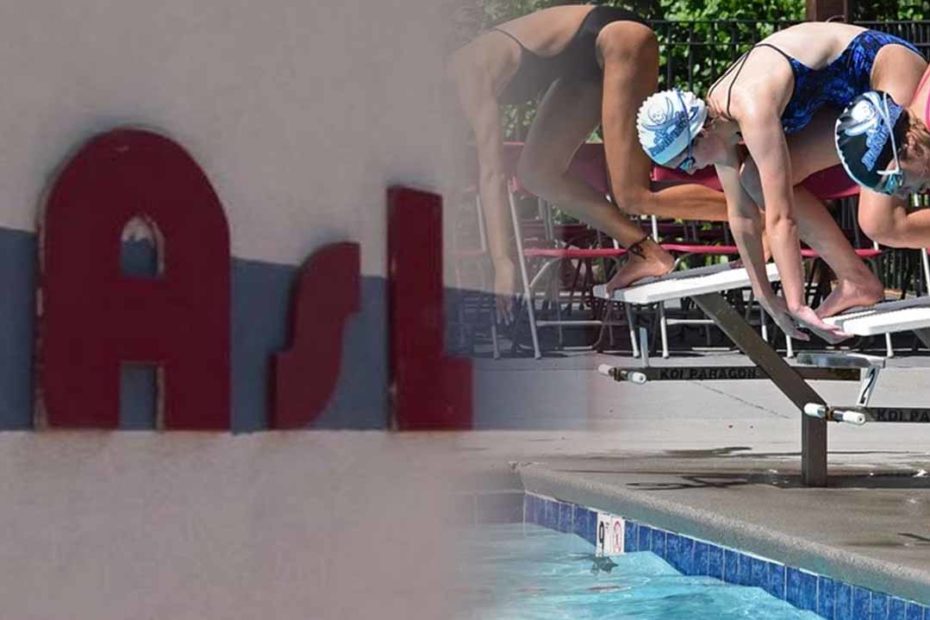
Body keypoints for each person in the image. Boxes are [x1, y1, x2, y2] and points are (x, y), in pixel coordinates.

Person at [636, 23, 926, 342]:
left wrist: (796, 302)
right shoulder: (719, 125)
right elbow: (742, 215)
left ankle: (856, 276)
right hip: (849, 97)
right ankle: (857, 280)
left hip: (884, 69)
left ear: (700, 133)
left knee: (882, 222)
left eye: (686, 161)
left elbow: (781, 216)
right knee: (753, 180)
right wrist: (763, 294)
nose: (691, 172)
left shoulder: (751, 108)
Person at [447, 5, 727, 322]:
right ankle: (647, 253)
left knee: (632, 194)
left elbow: (492, 174)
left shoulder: (465, 73)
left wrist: (502, 263)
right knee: (537, 173)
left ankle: (756, 216)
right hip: (582, 67)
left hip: (616, 36)